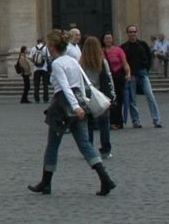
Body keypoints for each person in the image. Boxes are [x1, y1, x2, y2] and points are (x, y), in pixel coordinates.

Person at [27, 30, 115, 197]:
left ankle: (46, 182)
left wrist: (75, 107)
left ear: (52, 47)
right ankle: (105, 179)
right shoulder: (74, 61)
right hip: (78, 101)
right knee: (84, 144)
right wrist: (83, 104)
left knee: (53, 144)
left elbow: (65, 87)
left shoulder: (57, 64)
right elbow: (81, 84)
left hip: (62, 106)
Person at [119, 25, 162, 128]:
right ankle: (135, 120)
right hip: (131, 75)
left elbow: (149, 57)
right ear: (127, 33)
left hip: (143, 73)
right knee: (132, 99)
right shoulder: (123, 47)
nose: (132, 33)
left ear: (136, 32)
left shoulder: (143, 44)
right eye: (130, 32)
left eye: (134, 31)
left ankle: (156, 119)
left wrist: (146, 68)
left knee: (150, 96)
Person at [82, 36, 114, 158]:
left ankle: (89, 149)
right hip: (100, 94)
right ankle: (105, 150)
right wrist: (111, 95)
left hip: (87, 94)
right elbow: (109, 78)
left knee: (88, 123)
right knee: (104, 123)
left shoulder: (81, 63)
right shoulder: (102, 61)